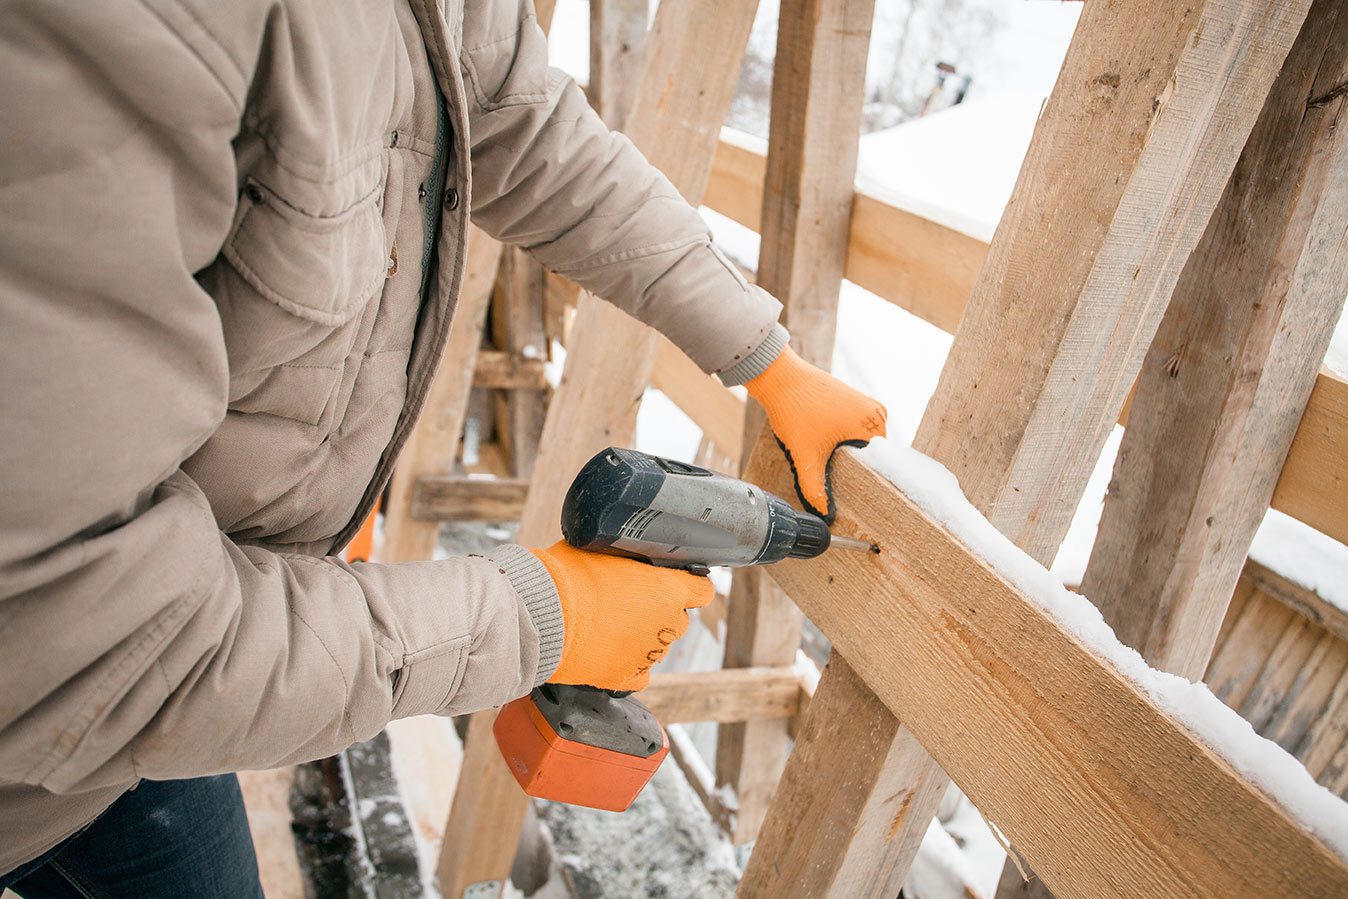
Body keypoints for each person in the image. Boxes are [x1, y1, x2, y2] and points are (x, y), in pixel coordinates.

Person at [0, 1, 886, 894]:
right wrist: (542, 617)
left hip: (140, 739)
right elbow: (75, 635)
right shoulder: (117, 34)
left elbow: (523, 123)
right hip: (82, 700)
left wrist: (763, 356)